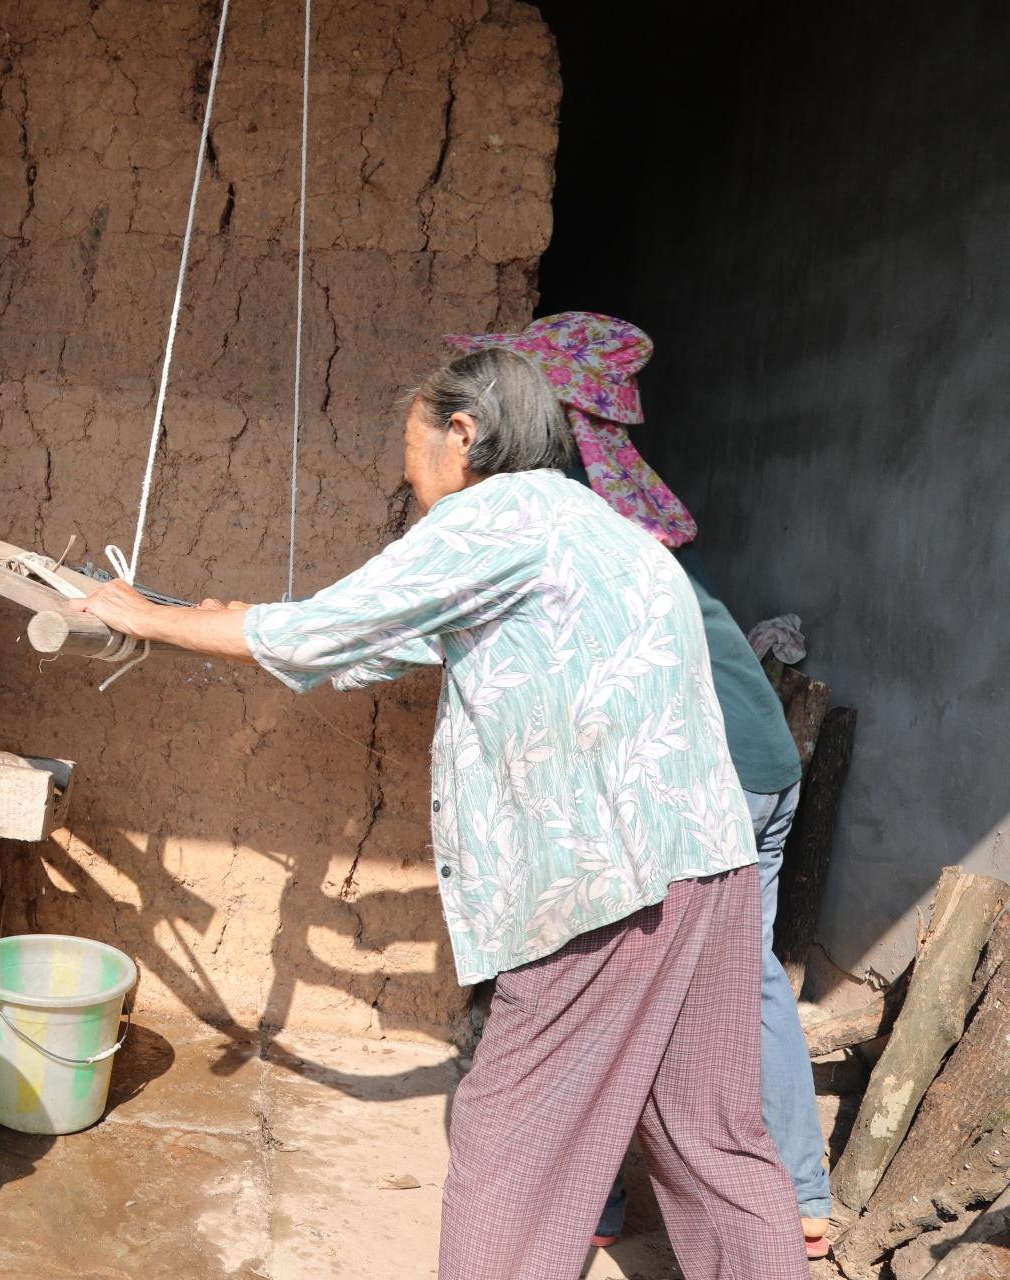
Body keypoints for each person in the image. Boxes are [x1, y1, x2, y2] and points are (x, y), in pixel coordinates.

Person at [72, 347, 809, 1280]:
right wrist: (229, 624)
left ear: (463, 435)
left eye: (411, 452)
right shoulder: (597, 524)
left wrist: (149, 619)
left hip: (600, 878)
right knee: (710, 1136)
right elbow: (381, 646)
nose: (411, 479)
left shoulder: (489, 517)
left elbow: (321, 631)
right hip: (709, 863)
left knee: (508, 1136)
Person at [444, 313, 831, 1258]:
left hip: (708, 781)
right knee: (723, 990)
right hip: (743, 767)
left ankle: (683, 1205)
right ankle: (788, 1202)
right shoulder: (621, 503)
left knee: (648, 987)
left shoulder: (558, 509)